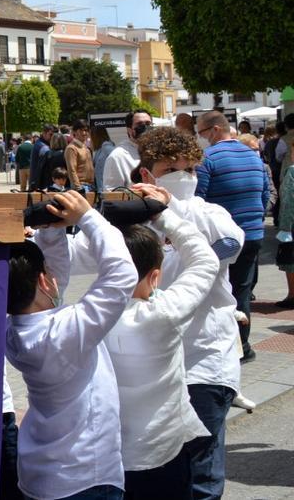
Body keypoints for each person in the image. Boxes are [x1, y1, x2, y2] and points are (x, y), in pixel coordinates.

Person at [69, 127, 243, 498]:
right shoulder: (129, 226)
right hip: (150, 372)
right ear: (147, 173)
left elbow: (226, 247)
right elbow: (74, 257)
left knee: (201, 475)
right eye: (172, 168)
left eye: (191, 169)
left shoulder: (210, 212)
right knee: (155, 472)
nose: (185, 176)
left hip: (204, 359)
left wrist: (169, 211)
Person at [7, 190, 137, 500]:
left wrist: (50, 232)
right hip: (83, 479)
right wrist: (88, 218)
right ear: (43, 281)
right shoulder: (66, 332)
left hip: (41, 475)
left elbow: (54, 286)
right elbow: (121, 274)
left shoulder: (13, 331)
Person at [102, 190, 219, 498]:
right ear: (155, 276)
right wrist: (163, 216)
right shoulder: (164, 312)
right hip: (162, 448)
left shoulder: (87, 317)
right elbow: (205, 260)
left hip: (106, 455)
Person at [195, 110, 268, 363]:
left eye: (201, 133)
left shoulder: (208, 158)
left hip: (222, 240)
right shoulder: (254, 156)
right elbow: (264, 196)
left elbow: (198, 201)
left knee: (218, 292)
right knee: (243, 291)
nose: (200, 138)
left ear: (214, 130)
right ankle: (244, 347)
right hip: (253, 234)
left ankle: (224, 347)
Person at [103, 111, 153, 191]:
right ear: (129, 130)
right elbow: (111, 192)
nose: (145, 127)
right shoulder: (118, 156)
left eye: (148, 123)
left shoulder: (158, 152)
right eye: (139, 124)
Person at [276, 164, 294, 309]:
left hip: (292, 224)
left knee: (290, 260)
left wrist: (285, 227)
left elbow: (289, 199)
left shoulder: (293, 170)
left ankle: (292, 295)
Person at [65, 120, 95, 191]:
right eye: (81, 130)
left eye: (86, 130)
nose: (84, 133)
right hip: (81, 186)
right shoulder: (71, 148)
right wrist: (78, 188)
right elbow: (72, 170)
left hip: (91, 186)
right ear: (74, 132)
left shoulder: (86, 147)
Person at [29, 125, 55, 191]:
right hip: (41, 184)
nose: (52, 137)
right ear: (44, 133)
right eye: (50, 134)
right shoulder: (43, 147)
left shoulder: (41, 144)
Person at [92, 126, 116, 193]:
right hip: (103, 188)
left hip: (106, 189)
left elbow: (100, 170)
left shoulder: (107, 149)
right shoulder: (100, 150)